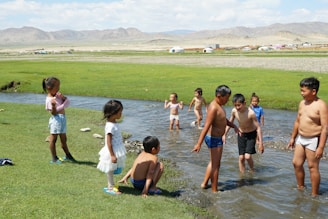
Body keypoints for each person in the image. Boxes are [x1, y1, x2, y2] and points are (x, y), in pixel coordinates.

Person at [192, 85, 238, 192]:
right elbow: (206, 126)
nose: (227, 100)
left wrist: (233, 125)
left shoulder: (219, 106)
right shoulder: (213, 107)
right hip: (214, 139)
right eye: (226, 98)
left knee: (214, 163)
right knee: (216, 166)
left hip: (215, 139)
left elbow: (222, 119)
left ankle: (204, 184)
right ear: (219, 96)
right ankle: (214, 191)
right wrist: (198, 143)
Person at [287, 77, 328, 197]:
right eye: (301, 90)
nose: (301, 93)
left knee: (312, 166)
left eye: (303, 91)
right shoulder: (302, 103)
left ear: (313, 91)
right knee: (296, 163)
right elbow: (297, 121)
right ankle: (301, 187)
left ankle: (314, 194)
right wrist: (292, 138)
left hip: (314, 139)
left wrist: (321, 147)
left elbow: (325, 128)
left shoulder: (321, 105)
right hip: (301, 138)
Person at [225, 93, 264, 173]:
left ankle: (252, 170)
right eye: (235, 105)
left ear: (244, 103)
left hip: (251, 134)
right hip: (241, 134)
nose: (237, 107)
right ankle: (242, 175)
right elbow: (230, 122)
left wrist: (260, 143)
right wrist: (224, 134)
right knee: (241, 157)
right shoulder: (234, 111)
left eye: (239, 105)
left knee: (247, 156)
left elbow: (258, 128)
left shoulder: (251, 113)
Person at [42, 77, 75, 164]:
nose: (58, 89)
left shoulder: (56, 96)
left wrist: (63, 97)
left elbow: (67, 102)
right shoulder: (49, 100)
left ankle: (68, 155)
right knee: (53, 139)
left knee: (64, 139)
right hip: (56, 120)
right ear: (49, 88)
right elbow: (53, 113)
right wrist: (54, 106)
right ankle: (54, 158)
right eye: (57, 87)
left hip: (62, 119)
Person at [97, 100, 127, 195]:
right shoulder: (110, 126)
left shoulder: (114, 123)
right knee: (110, 168)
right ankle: (110, 187)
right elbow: (108, 141)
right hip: (112, 150)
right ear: (113, 113)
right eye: (120, 112)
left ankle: (112, 184)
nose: (121, 114)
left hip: (116, 149)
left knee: (113, 168)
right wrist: (112, 155)